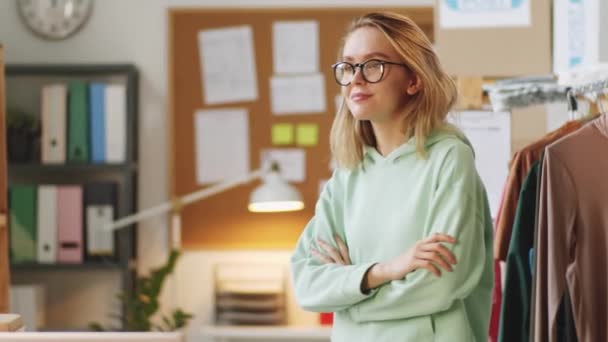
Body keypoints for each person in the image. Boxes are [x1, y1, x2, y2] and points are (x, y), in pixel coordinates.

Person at [290, 12, 494, 342]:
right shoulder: (347, 174)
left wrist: (351, 298)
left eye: (374, 65)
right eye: (348, 66)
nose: (356, 79)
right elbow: (307, 284)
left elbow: (441, 285)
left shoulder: (449, 158)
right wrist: (385, 271)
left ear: (414, 80)